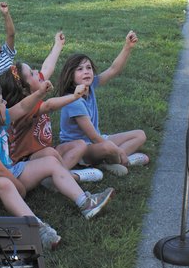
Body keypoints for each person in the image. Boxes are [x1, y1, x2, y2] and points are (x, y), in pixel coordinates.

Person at [0, 83, 115, 251]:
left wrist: (39, 93)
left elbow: (24, 106)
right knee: (4, 184)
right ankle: (37, 228)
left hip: (9, 171)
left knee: (51, 162)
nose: (5, 104)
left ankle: (85, 202)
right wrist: (20, 188)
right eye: (1, 102)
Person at [0, 32, 98, 181]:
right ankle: (64, 176)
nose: (38, 72)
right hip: (26, 160)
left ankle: (56, 175)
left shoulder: (33, 89)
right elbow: (49, 105)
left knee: (80, 145)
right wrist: (75, 96)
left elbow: (47, 67)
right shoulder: (23, 109)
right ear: (25, 90)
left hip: (43, 150)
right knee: (50, 153)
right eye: (32, 73)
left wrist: (58, 46)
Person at [57, 31, 149, 177]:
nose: (86, 72)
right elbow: (93, 137)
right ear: (71, 75)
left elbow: (114, 69)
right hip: (81, 149)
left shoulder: (90, 85)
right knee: (108, 147)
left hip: (98, 140)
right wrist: (117, 149)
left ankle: (112, 162)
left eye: (88, 68)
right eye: (80, 69)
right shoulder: (73, 101)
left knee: (140, 135)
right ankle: (120, 160)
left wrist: (127, 47)